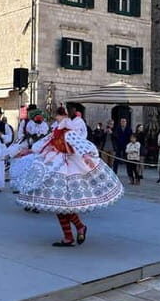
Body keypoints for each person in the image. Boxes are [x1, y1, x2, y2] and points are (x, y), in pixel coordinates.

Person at [9, 106, 124, 247]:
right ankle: (74, 232)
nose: (56, 119)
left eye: (58, 116)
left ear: (63, 117)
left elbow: (79, 143)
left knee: (62, 205)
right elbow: (44, 144)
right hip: (55, 163)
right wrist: (29, 152)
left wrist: (86, 155)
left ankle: (72, 233)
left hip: (67, 166)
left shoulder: (68, 132)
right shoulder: (56, 132)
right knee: (59, 205)